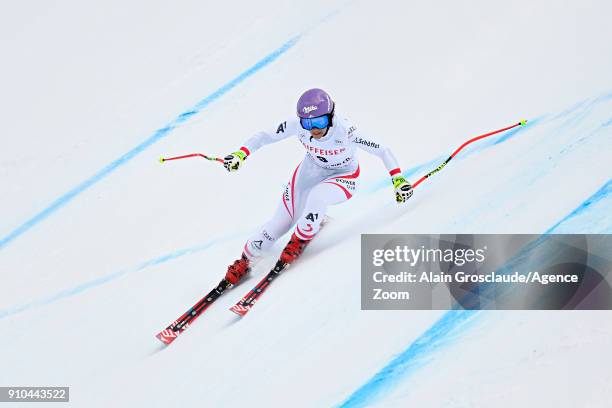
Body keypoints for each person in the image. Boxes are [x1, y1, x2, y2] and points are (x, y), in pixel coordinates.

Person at [222, 88, 413, 285]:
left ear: (331, 116)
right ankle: (245, 260)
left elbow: (383, 150)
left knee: (317, 198)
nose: (314, 129)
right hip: (310, 170)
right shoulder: (297, 126)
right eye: (308, 123)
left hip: (344, 176)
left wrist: (398, 179)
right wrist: (241, 153)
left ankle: (299, 240)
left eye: (320, 121)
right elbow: (264, 136)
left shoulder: (346, 131)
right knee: (279, 223)